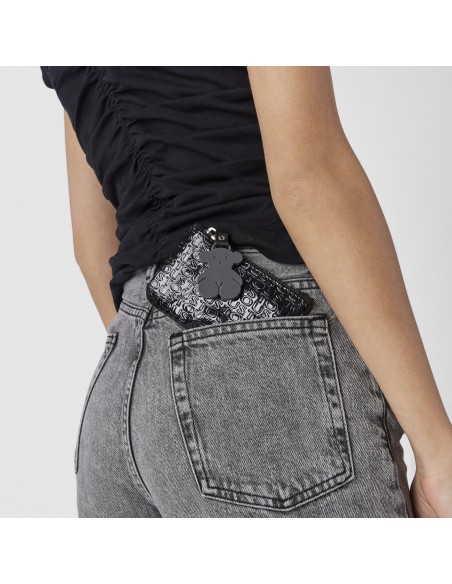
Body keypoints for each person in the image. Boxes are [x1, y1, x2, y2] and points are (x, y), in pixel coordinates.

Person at [41, 66, 452, 518]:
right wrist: (439, 453)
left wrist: (169, 369)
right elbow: (306, 182)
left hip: (117, 404)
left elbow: (92, 249)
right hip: (260, 357)